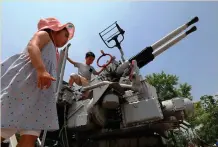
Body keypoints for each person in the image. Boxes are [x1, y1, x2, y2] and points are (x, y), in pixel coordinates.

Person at [0, 17, 75, 147]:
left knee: (31, 136)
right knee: (5, 128)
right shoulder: (45, 35)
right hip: (24, 89)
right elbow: (32, 46)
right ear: (55, 29)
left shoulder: (54, 53)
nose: (66, 39)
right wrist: (41, 69)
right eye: (65, 34)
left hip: (39, 100)